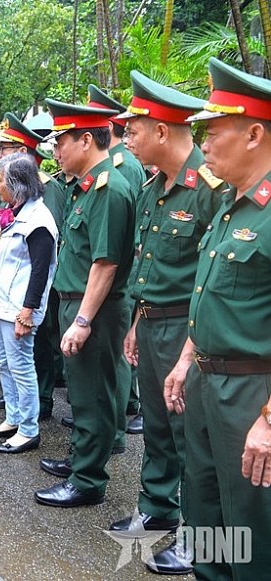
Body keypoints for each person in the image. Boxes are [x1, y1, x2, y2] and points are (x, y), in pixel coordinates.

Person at [109, 70, 224, 576]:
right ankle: (158, 508)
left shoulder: (210, 188)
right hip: (153, 324)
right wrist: (136, 320)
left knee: (194, 441)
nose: (126, 138)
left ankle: (206, 540)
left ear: (160, 130)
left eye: (133, 129)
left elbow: (212, 276)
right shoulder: (154, 188)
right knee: (157, 426)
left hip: (190, 332)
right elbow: (148, 263)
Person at [163, 57, 271, 580]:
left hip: (253, 395)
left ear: (254, 134)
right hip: (208, 382)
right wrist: (186, 360)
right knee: (207, 516)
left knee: (251, 530)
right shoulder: (230, 205)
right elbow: (209, 296)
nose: (202, 144)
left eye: (213, 131)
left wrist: (269, 420)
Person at [35, 99, 135, 508]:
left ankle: (88, 481)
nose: (56, 152)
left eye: (62, 142)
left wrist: (82, 319)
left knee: (93, 394)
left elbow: (106, 263)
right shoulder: (87, 187)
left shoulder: (109, 189)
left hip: (93, 308)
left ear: (87, 140)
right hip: (78, 304)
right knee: (82, 391)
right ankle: (82, 460)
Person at [0, 113, 66, 418]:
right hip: (8, 289)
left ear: (22, 153)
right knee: (10, 357)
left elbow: (44, 247)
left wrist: (32, 302)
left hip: (35, 284)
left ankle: (41, 401)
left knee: (40, 344)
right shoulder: (10, 191)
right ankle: (17, 405)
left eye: (6, 148)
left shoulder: (47, 190)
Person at [0, 152, 57, 454]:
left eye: (1, 180)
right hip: (0, 304)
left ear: (18, 185)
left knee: (22, 367)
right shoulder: (13, 212)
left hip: (18, 310)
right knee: (4, 363)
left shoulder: (38, 220)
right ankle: (13, 417)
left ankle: (28, 429)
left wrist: (27, 313)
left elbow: (40, 271)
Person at [89, 84, 146, 437]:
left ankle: (121, 417)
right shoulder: (112, 165)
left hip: (125, 269)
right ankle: (112, 417)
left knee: (122, 354)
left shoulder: (125, 167)